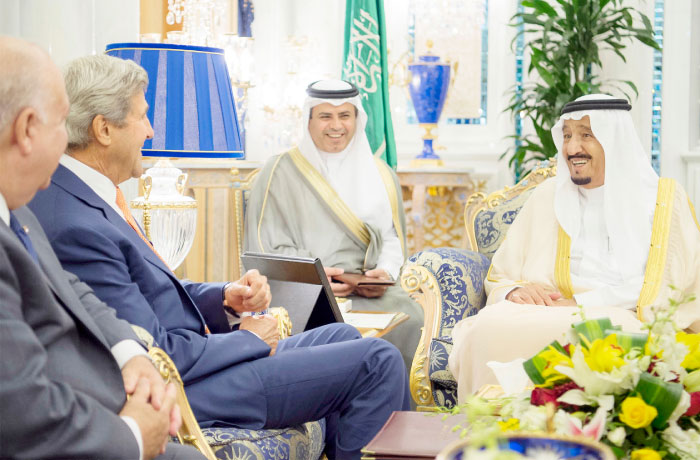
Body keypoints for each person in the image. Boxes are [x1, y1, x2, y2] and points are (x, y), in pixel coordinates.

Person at [28, 54, 410, 460]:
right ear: (104, 129)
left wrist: (225, 297)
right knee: (377, 360)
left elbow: (147, 290)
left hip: (202, 364)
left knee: (344, 335)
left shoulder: (89, 195)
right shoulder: (76, 223)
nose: (150, 130)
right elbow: (156, 353)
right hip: (192, 388)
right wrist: (248, 339)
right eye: (142, 117)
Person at [0, 36, 205, 460]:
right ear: (25, 130)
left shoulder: (18, 212)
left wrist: (130, 352)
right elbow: (20, 411)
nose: (66, 146)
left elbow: (71, 287)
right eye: (61, 124)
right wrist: (132, 434)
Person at [448, 94, 700, 403]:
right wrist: (513, 291)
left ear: (613, 140)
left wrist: (582, 302)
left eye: (586, 135)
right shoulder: (546, 196)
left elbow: (674, 287)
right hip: (544, 309)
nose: (572, 148)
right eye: (567, 135)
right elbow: (502, 273)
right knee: (486, 328)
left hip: (623, 314)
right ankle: (486, 433)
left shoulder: (664, 201)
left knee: (599, 336)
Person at [244, 79, 424, 370]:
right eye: (326, 116)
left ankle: (393, 413)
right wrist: (316, 279)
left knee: (413, 318)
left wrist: (385, 272)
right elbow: (264, 249)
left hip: (370, 293)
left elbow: (392, 240)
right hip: (306, 291)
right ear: (309, 120)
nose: (336, 125)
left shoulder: (381, 174)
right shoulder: (278, 171)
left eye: (344, 116)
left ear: (357, 119)